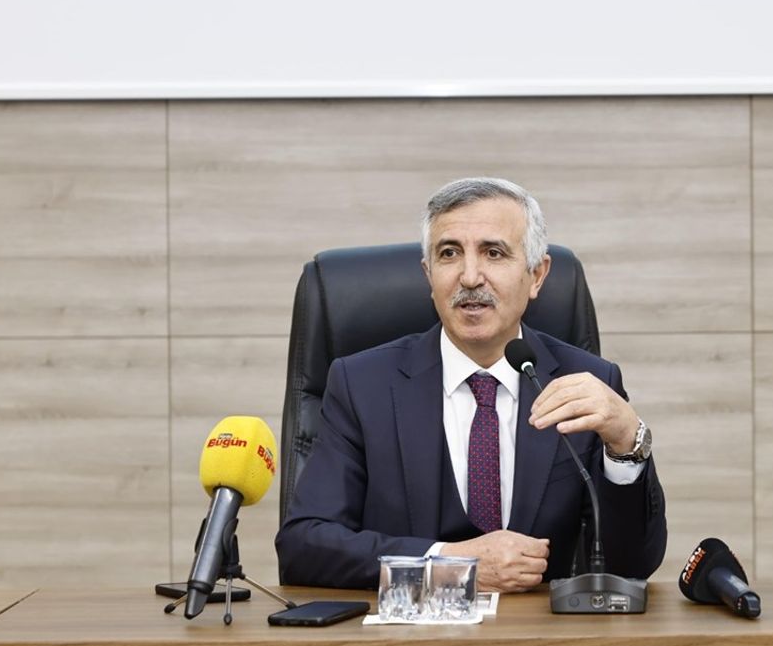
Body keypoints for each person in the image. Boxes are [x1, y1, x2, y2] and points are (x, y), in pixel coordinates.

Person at [276, 178, 666, 591]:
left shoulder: (585, 382)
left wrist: (627, 442)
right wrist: (450, 562)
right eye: (449, 254)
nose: (470, 277)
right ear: (429, 275)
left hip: (540, 629)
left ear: (537, 275)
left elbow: (632, 566)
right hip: (406, 629)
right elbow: (305, 546)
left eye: (494, 253)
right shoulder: (362, 385)